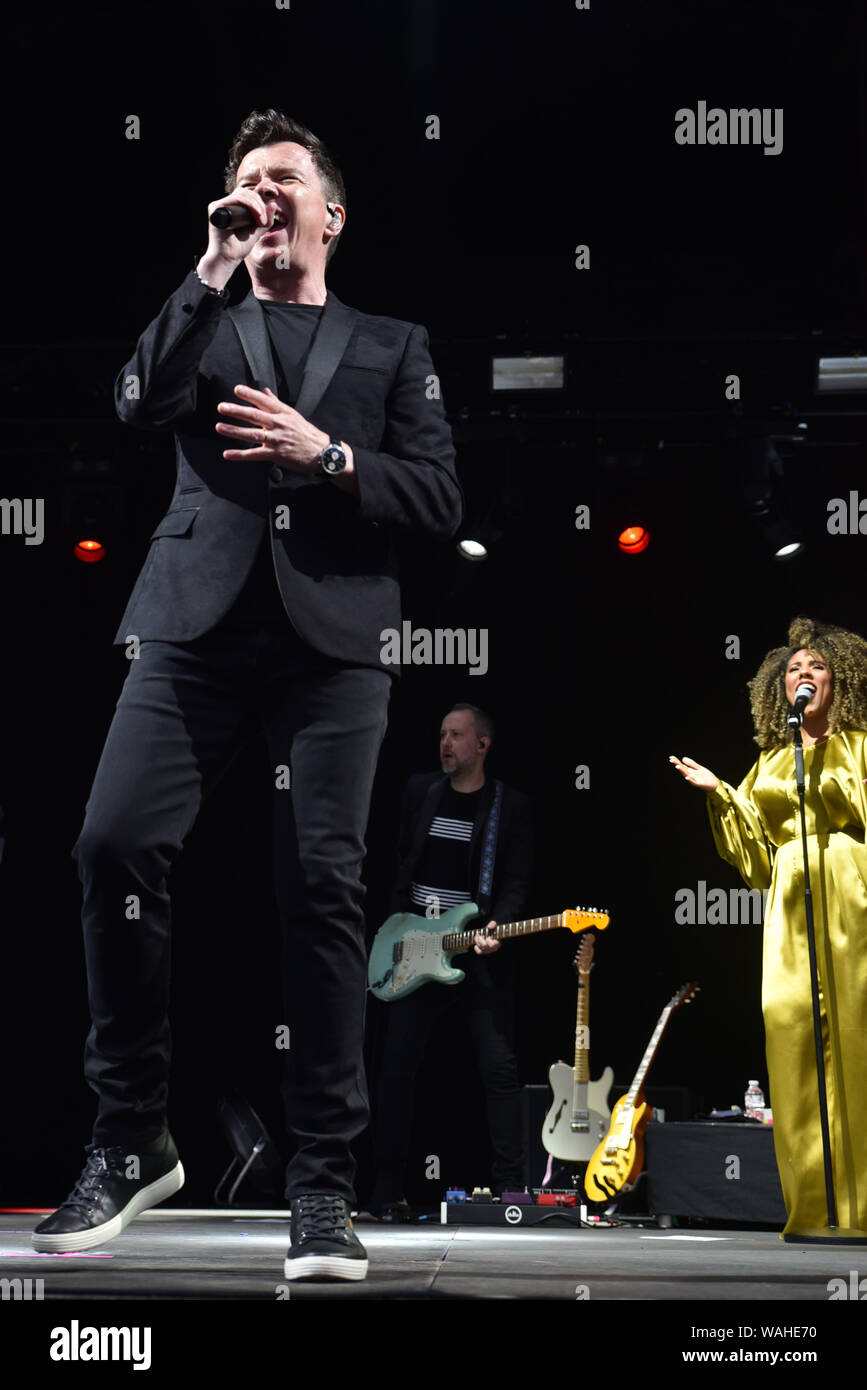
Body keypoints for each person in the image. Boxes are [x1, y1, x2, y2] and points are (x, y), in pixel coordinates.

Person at [33, 108, 462, 1281]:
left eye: (285, 184)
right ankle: (130, 1140)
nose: (266, 198)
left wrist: (329, 456)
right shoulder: (206, 314)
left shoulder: (393, 341)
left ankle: (322, 1186)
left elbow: (436, 498)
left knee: (322, 890)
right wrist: (210, 266)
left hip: (332, 642)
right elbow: (134, 401)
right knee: (111, 844)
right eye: (246, 187)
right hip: (193, 625)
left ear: (330, 214)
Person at [670, 615, 867, 1238]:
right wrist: (720, 792)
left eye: (815, 668)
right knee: (793, 1037)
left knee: (858, 1046)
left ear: (842, 681)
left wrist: (826, 780)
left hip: (852, 892)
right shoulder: (771, 761)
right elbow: (755, 852)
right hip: (789, 907)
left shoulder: (862, 744)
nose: (802, 676)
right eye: (791, 670)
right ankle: (812, 1207)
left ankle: (861, 1206)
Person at [370, 704, 533, 1215]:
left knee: (498, 1069)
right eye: (442, 734)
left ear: (482, 745)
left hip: (474, 956)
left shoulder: (511, 805)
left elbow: (515, 882)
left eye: (457, 736)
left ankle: (510, 1190)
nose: (446, 743)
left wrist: (497, 925)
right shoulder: (421, 792)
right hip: (414, 951)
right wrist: (398, 924)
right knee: (396, 1070)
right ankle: (384, 1193)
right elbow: (400, 860)